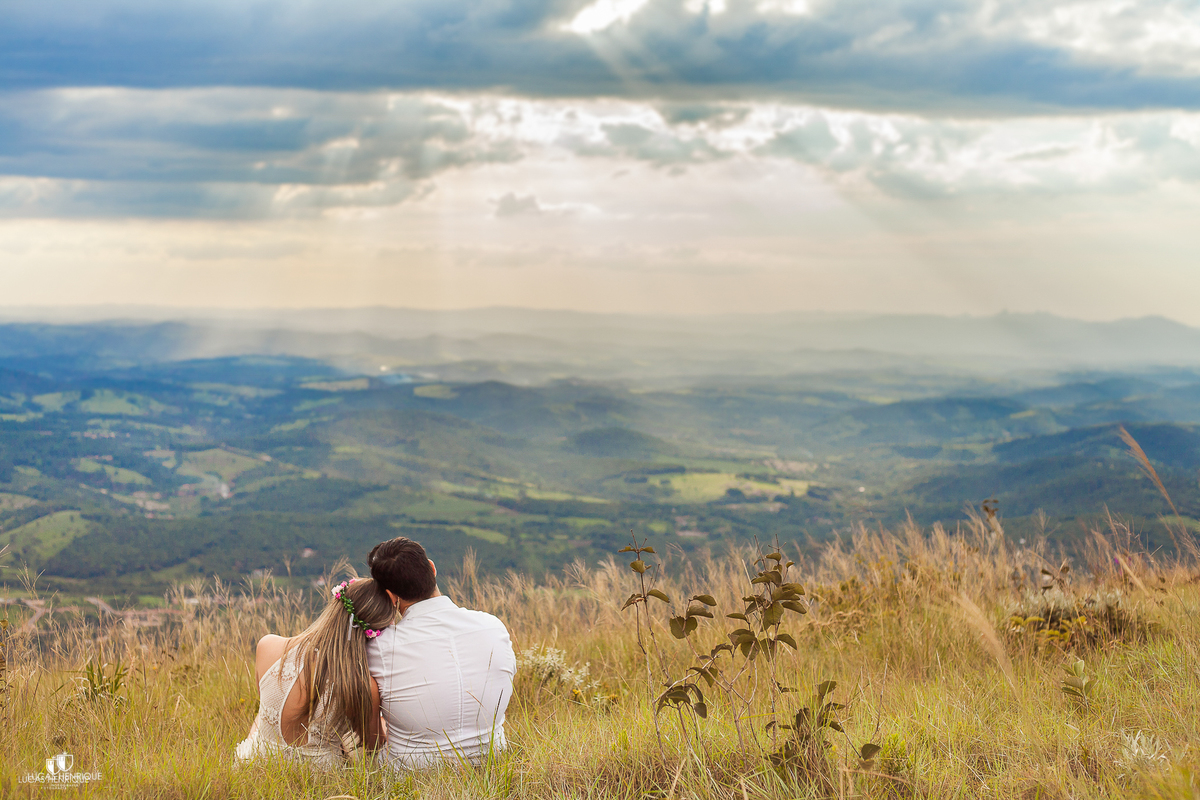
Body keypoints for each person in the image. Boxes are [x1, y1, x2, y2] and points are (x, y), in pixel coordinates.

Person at [367, 537, 516, 769]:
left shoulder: (380, 647)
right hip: (493, 761)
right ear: (432, 568)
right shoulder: (493, 626)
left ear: (389, 595)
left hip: (412, 772)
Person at [235, 575, 396, 767]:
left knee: (259, 718)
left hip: (260, 765)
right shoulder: (362, 684)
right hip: (320, 775)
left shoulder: (267, 645)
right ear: (372, 633)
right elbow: (372, 747)